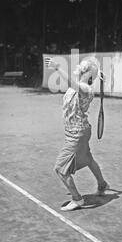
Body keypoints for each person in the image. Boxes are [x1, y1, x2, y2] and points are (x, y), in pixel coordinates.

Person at [48, 58, 109, 211]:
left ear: (86, 73)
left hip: (77, 134)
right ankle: (102, 185)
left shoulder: (85, 89)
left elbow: (73, 84)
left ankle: (77, 199)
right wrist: (96, 74)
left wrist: (57, 68)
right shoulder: (83, 85)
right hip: (77, 131)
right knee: (88, 159)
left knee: (61, 169)